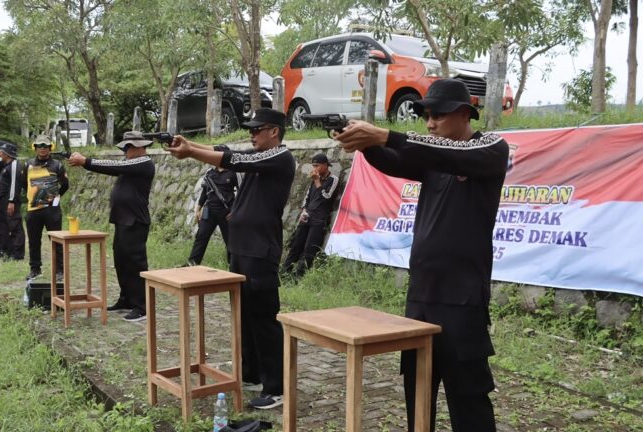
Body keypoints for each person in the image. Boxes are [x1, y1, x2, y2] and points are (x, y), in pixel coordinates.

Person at [335, 78, 508, 432]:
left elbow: (436, 151)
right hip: (422, 297)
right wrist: (361, 141)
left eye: (438, 116)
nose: (429, 124)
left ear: (464, 114)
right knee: (418, 395)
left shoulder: (490, 148)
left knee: (469, 399)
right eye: (426, 116)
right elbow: (396, 160)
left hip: (461, 300)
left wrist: (384, 135)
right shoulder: (434, 156)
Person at [165, 108, 295, 410]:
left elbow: (232, 159)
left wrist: (191, 153)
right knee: (244, 315)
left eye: (257, 129)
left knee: (264, 318)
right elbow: (225, 151)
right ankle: (251, 373)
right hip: (240, 248)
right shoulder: (258, 156)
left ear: (274, 131)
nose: (252, 134)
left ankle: (276, 387)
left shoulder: (279, 157)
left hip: (260, 250)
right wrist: (190, 146)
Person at [68, 131, 155, 323]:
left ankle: (142, 306)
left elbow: (114, 166)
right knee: (122, 262)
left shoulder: (143, 162)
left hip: (135, 221)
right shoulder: (131, 164)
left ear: (140, 147)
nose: (125, 151)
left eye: (128, 147)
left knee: (136, 264)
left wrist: (86, 161)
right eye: (124, 147)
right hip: (123, 220)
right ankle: (126, 299)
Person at [281, 153, 339, 278]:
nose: (314, 168)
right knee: (295, 246)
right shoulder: (314, 179)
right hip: (307, 216)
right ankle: (284, 273)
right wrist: (303, 211)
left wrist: (317, 181)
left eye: (317, 165)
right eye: (313, 166)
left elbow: (326, 198)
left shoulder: (333, 179)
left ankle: (298, 277)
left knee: (309, 250)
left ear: (325, 165)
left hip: (319, 219)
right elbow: (306, 198)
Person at [23, 135, 70, 281]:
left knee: (56, 240)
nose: (42, 148)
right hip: (34, 209)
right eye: (39, 146)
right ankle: (35, 269)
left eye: (45, 146)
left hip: (52, 209)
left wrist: (55, 197)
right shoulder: (28, 164)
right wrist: (34, 197)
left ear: (50, 148)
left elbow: (65, 184)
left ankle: (59, 270)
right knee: (33, 240)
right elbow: (23, 183)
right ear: (35, 148)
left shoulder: (57, 165)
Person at [186, 145, 240, 266]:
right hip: (209, 211)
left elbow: (241, 193)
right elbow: (205, 191)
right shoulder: (210, 172)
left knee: (230, 241)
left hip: (227, 212)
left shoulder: (233, 173)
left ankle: (234, 268)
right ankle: (192, 264)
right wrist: (198, 208)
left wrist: (235, 211)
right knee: (201, 237)